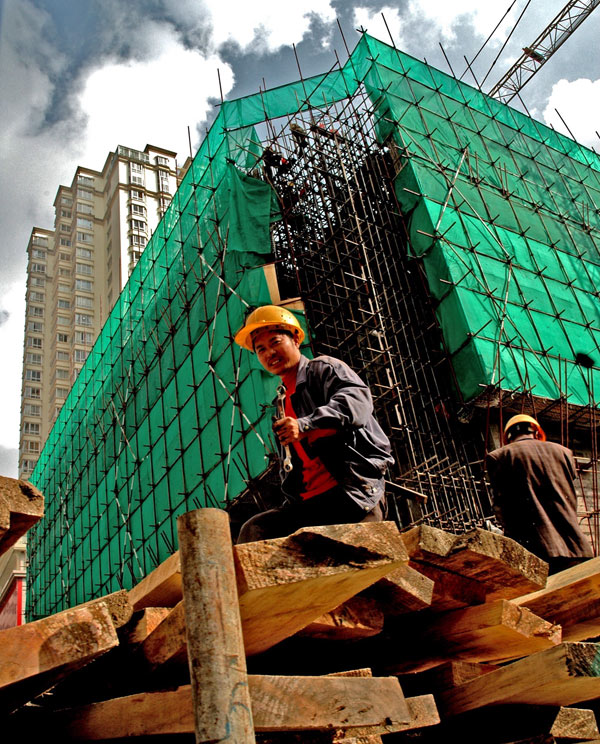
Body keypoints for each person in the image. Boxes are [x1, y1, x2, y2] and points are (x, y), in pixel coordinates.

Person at [233, 305, 394, 543]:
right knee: (255, 531)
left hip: (351, 496)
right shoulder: (279, 407)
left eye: (276, 342)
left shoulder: (323, 369)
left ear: (296, 340)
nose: (269, 353)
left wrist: (306, 424)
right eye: (261, 349)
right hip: (310, 505)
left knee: (350, 566)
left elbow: (357, 402)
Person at [486, 414, 593, 574]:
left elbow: (502, 510)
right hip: (578, 550)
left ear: (508, 436)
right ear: (536, 432)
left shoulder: (499, 457)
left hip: (536, 556)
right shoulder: (564, 452)